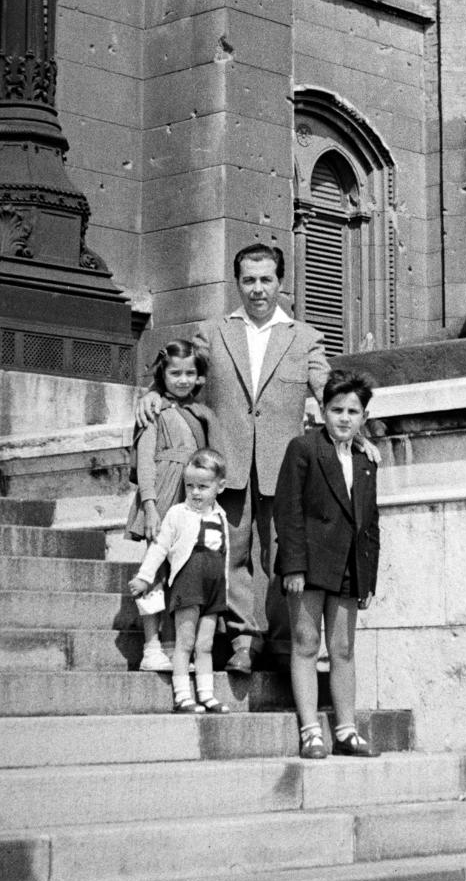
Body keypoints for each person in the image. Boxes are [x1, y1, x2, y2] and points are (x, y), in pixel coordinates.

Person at [136, 243, 329, 674]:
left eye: (266, 280)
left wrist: (364, 429)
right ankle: (244, 640)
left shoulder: (305, 337)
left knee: (284, 556)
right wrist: (151, 395)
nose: (257, 289)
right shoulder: (215, 332)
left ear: (280, 282)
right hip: (228, 466)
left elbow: (329, 390)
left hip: (286, 470)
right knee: (232, 553)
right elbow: (180, 374)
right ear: (237, 283)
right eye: (248, 280)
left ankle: (282, 641)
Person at [273, 369, 381, 760]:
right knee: (305, 644)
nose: (344, 418)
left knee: (343, 648)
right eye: (337, 409)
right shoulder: (302, 449)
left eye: (353, 411)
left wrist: (367, 577)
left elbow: (370, 521)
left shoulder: (366, 459)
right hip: (309, 564)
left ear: (364, 417)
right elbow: (288, 511)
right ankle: (310, 730)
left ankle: (347, 730)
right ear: (322, 410)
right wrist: (294, 567)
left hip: (350, 567)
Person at [125, 340, 219, 672]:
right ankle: (151, 646)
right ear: (162, 374)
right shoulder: (154, 410)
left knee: (186, 573)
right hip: (162, 494)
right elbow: (146, 464)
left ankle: (177, 646)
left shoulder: (201, 413)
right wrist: (150, 506)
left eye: (190, 373)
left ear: (199, 377)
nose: (182, 380)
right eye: (175, 373)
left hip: (192, 496)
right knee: (155, 567)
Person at [128, 451, 231, 714]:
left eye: (203, 487)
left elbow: (225, 556)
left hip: (213, 589)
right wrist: (144, 577)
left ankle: (206, 695)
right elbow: (160, 547)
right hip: (189, 585)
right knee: (185, 643)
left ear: (220, 487)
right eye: (190, 486)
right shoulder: (178, 514)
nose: (196, 492)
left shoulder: (220, 516)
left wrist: (225, 592)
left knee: (205, 644)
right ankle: (183, 695)